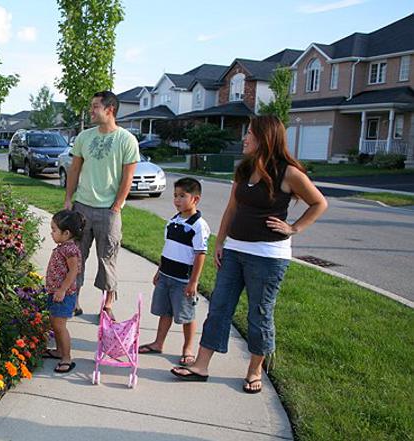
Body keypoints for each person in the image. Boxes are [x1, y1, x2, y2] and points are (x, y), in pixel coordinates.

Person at [171, 115, 327, 394]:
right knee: (219, 307)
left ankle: (254, 370)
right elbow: (232, 208)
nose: (245, 137)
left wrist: (294, 227)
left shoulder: (288, 173)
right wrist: (220, 241)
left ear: (265, 137)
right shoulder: (244, 169)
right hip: (234, 250)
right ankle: (201, 365)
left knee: (259, 313)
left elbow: (319, 203)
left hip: (268, 256)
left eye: (250, 133)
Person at [64, 91, 139, 319]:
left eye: (95, 106)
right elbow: (74, 169)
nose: (91, 110)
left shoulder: (126, 140)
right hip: (82, 207)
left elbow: (128, 177)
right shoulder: (84, 137)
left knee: (107, 258)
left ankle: (107, 305)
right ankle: (74, 300)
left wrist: (116, 206)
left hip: (109, 211)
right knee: (76, 256)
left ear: (110, 109)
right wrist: (68, 198)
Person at [139, 177, 210, 367]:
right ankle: (158, 343)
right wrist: (159, 270)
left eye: (182, 196)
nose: (177, 200)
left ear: (195, 199)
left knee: (187, 315)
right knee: (165, 312)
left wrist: (193, 282)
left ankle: (188, 348)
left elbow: (200, 254)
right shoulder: (173, 221)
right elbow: (167, 248)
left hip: (183, 280)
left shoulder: (198, 225)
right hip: (166, 276)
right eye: (175, 196)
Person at [43, 209, 85, 374]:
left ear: (66, 233)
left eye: (54, 230)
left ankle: (66, 358)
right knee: (55, 323)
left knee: (60, 326)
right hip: (56, 293)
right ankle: (59, 351)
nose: (51, 233)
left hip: (63, 295)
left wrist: (62, 290)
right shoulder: (63, 247)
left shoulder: (70, 250)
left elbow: (73, 272)